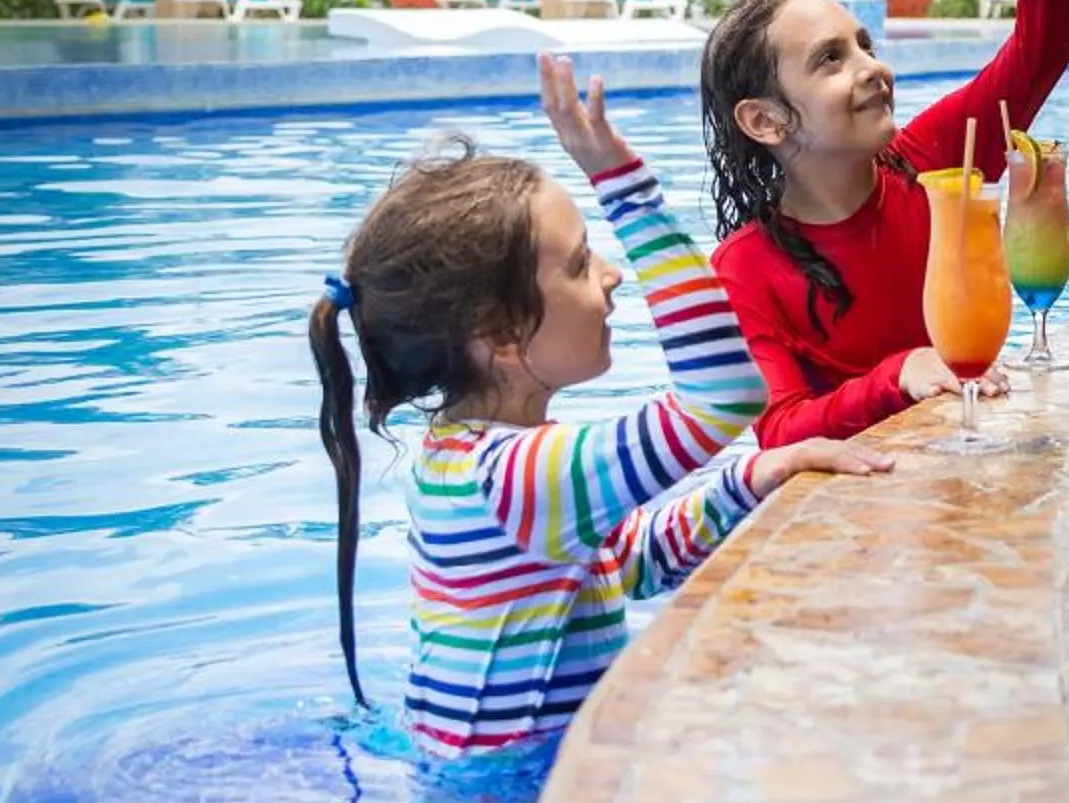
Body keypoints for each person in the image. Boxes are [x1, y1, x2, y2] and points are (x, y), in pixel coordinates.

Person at [310, 57, 886, 753]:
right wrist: (626, 189)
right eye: (582, 264)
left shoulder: (478, 459)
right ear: (498, 335)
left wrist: (758, 474)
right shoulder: (516, 477)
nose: (612, 276)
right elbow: (728, 397)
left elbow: (634, 563)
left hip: (490, 783)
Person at [703, 0, 1069, 442]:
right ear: (765, 120)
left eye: (864, 44)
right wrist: (899, 374)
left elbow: (1048, 40)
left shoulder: (934, 161)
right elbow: (780, 429)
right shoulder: (745, 268)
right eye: (831, 59)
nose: (873, 68)